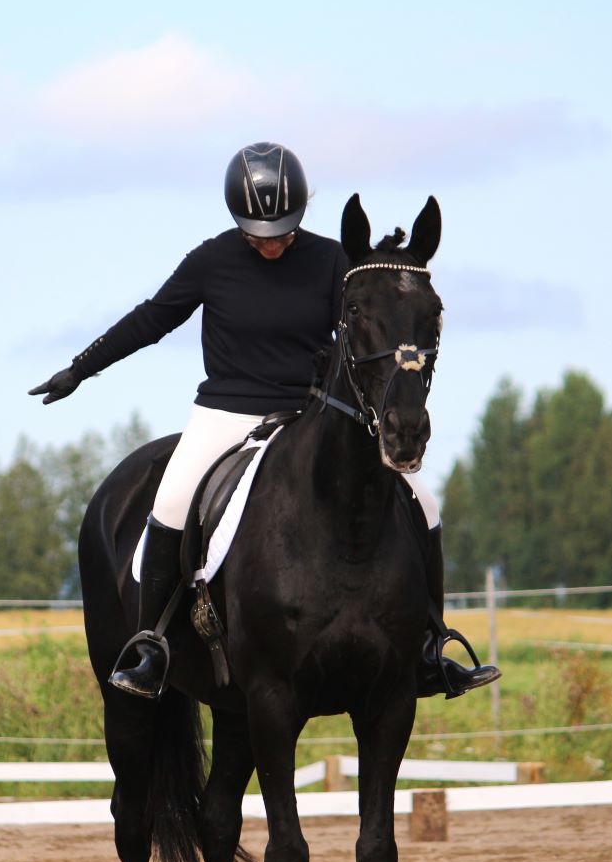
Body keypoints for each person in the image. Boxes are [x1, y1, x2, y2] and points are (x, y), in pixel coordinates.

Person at [30, 141, 500, 699]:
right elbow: (152, 319)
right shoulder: (212, 260)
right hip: (225, 413)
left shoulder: (330, 262)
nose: (272, 241)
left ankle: (429, 649)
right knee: (172, 499)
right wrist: (81, 368)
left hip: (306, 412)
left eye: (282, 229)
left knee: (423, 500)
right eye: (259, 232)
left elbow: (367, 333)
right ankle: (152, 645)